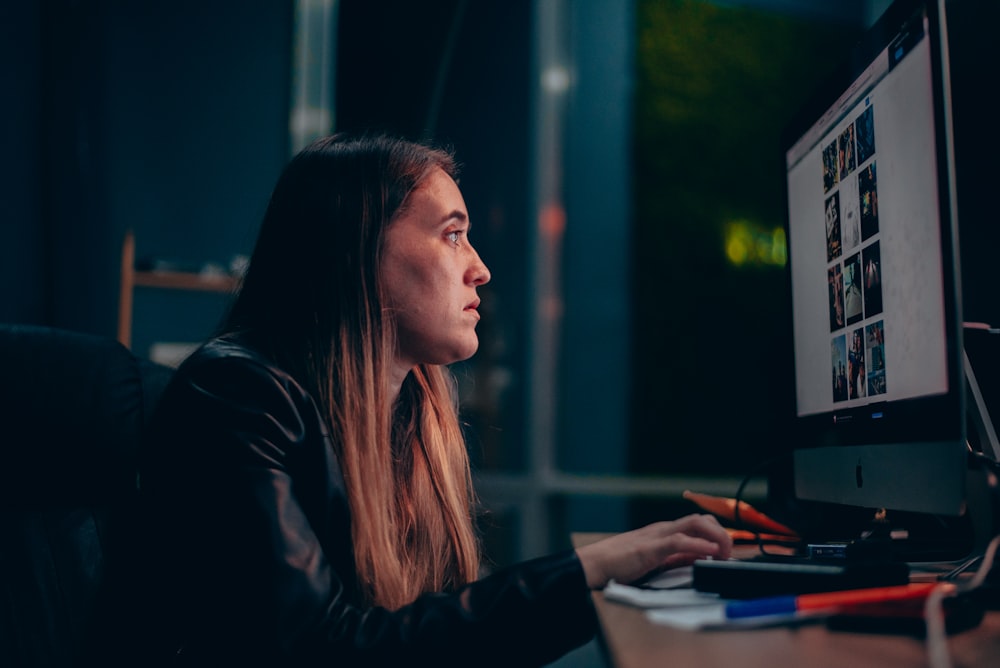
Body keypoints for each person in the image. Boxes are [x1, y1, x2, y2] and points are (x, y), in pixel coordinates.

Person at [133, 132, 732, 667]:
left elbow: (427, 629)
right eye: (453, 235)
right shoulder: (236, 395)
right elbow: (319, 650)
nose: (481, 269)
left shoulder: (412, 412)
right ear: (356, 252)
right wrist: (591, 569)